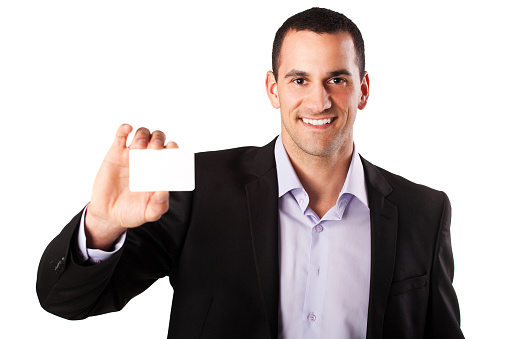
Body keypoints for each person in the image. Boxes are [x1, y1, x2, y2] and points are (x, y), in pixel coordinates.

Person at [36, 7, 464, 339]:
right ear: (273, 89)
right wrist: (102, 227)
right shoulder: (198, 189)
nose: (319, 101)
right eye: (299, 80)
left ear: (363, 89)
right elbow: (66, 301)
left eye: (336, 79)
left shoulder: (423, 212)